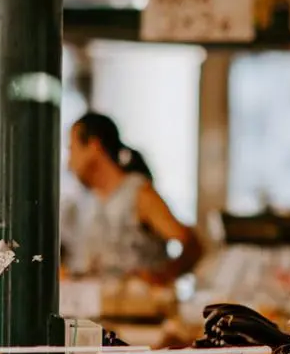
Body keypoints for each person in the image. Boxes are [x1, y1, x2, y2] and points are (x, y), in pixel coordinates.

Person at [64, 112, 202, 281]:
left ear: (94, 146)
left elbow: (192, 245)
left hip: (139, 306)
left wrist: (162, 276)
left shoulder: (139, 194)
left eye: (72, 149)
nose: (69, 163)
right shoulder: (88, 202)